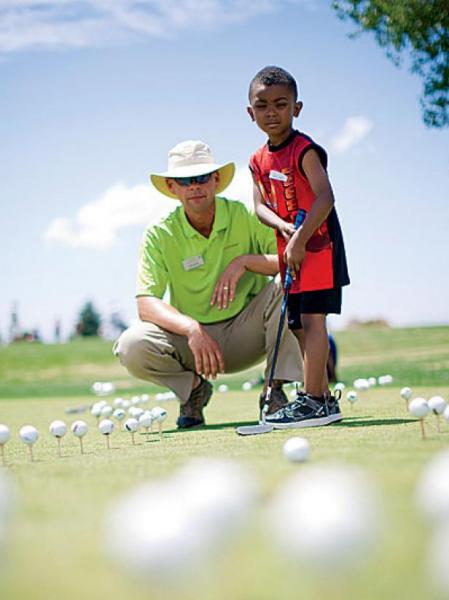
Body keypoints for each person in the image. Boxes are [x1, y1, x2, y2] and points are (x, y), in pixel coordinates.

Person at [113, 140, 303, 428]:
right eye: (184, 180)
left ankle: (274, 390)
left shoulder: (244, 215)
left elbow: (287, 258)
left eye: (201, 177)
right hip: (193, 345)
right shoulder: (159, 232)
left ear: (215, 180)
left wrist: (244, 262)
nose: (194, 186)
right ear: (172, 187)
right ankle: (193, 390)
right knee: (131, 345)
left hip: (248, 333)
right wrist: (191, 328)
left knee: (288, 285)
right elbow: (146, 304)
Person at [247, 65, 350, 428]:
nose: (271, 113)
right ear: (250, 112)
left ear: (297, 108)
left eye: (281, 104)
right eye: (262, 106)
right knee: (297, 325)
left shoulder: (304, 149)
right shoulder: (257, 160)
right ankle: (321, 401)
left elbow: (326, 197)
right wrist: (283, 228)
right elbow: (260, 206)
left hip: (319, 247)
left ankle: (314, 398)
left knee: (313, 319)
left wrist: (301, 238)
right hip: (292, 251)